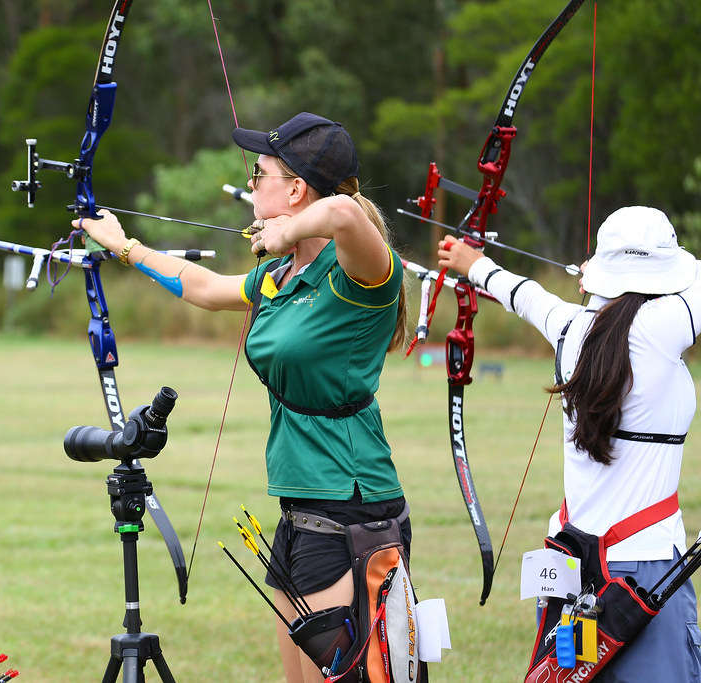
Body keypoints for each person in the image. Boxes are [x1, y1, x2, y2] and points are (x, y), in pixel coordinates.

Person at [78, 112, 412, 683]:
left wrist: (287, 230)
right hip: (301, 507)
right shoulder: (279, 277)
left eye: (259, 175)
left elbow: (346, 213)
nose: (252, 186)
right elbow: (205, 288)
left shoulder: (360, 269)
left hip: (350, 509)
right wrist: (126, 247)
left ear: (297, 189)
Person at [437, 206, 701, 681]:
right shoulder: (669, 326)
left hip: (570, 564)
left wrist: (468, 259)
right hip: (646, 565)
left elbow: (520, 292)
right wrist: (626, 272)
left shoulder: (567, 326)